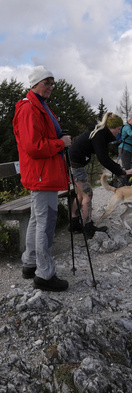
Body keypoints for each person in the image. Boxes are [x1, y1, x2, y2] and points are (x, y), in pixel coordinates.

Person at [12, 67, 72, 292]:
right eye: (46, 82)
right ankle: (44, 274)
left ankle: (30, 263)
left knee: (38, 219)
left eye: (52, 83)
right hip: (41, 174)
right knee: (45, 221)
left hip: (43, 173)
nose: (50, 87)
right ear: (34, 84)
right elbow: (33, 147)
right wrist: (61, 144)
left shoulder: (40, 106)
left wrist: (59, 137)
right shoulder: (30, 109)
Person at [66, 112, 123, 233]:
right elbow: (103, 158)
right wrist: (119, 171)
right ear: (111, 127)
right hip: (75, 163)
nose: (119, 132)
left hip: (74, 162)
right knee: (88, 194)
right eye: (118, 129)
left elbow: (104, 156)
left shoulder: (100, 132)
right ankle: (88, 227)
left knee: (81, 194)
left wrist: (118, 169)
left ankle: (74, 224)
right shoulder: (100, 135)